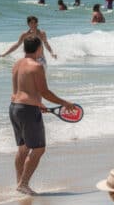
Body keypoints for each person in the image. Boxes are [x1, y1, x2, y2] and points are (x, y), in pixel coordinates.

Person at [8, 37, 76, 195]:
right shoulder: (37, 66)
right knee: (38, 149)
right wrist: (65, 103)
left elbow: (18, 91)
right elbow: (44, 91)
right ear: (39, 49)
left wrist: (38, 104)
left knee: (23, 148)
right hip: (27, 110)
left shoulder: (17, 64)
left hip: (14, 108)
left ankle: (19, 182)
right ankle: (23, 184)